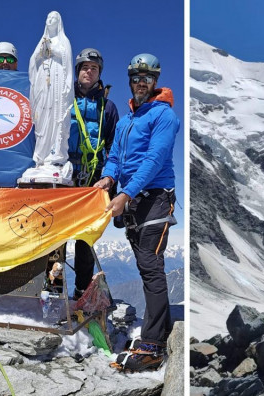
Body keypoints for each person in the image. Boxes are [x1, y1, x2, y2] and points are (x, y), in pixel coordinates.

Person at [94, 53, 180, 372]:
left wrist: (126, 193)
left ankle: (153, 345)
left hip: (156, 195)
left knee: (149, 263)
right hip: (132, 199)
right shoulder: (127, 119)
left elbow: (155, 159)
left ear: (155, 81)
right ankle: (159, 332)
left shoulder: (163, 116)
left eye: (146, 78)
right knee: (145, 265)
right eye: (135, 78)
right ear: (130, 81)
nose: (140, 83)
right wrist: (107, 178)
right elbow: (115, 156)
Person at [68, 48, 119, 300]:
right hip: (63, 175)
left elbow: (115, 148)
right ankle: (49, 285)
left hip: (93, 179)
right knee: (50, 230)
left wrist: (110, 179)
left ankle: (81, 290)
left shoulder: (107, 108)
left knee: (85, 239)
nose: (89, 71)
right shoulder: (62, 99)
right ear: (77, 71)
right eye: (84, 67)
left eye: (94, 68)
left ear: (99, 73)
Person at [22, 11, 74, 182]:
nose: (51, 20)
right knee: (43, 119)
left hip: (57, 87)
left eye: (54, 18)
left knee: (56, 120)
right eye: (48, 18)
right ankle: (41, 157)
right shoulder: (41, 42)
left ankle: (55, 156)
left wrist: (53, 50)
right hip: (43, 86)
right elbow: (33, 62)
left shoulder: (63, 41)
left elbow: (66, 60)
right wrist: (40, 54)